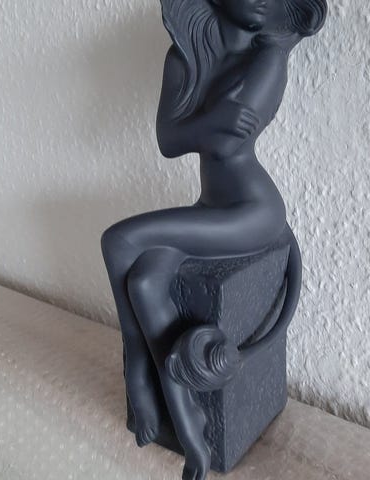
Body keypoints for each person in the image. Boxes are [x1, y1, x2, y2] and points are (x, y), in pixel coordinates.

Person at [101, 1, 327, 478]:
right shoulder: (184, 56)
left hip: (254, 212)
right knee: (144, 281)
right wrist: (209, 123)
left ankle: (139, 370)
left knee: (119, 240)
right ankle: (190, 426)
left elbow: (222, 143)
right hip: (212, 207)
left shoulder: (270, 53)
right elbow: (168, 141)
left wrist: (199, 126)